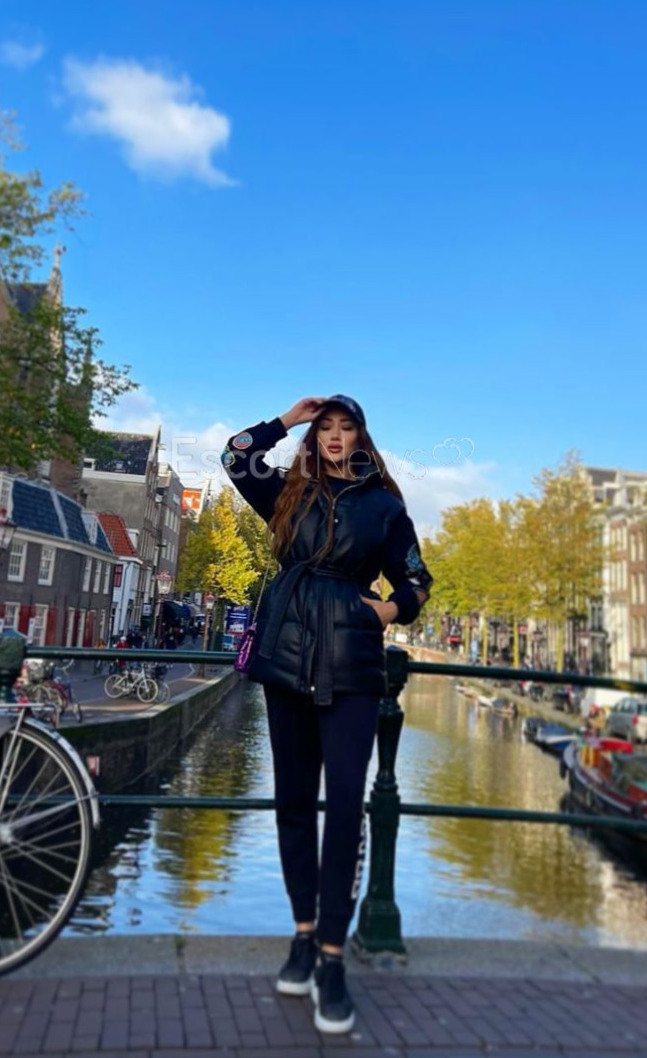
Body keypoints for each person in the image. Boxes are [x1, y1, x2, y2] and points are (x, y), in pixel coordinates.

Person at [222, 396, 432, 1035]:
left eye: (346, 428)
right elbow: (234, 455)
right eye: (326, 428)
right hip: (285, 658)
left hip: (351, 667)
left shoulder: (384, 506)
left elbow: (417, 580)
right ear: (315, 437)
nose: (335, 437)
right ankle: (303, 935)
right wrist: (286, 420)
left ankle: (333, 957)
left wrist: (387, 610)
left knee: (344, 807)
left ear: (362, 437)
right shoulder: (288, 493)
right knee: (293, 803)